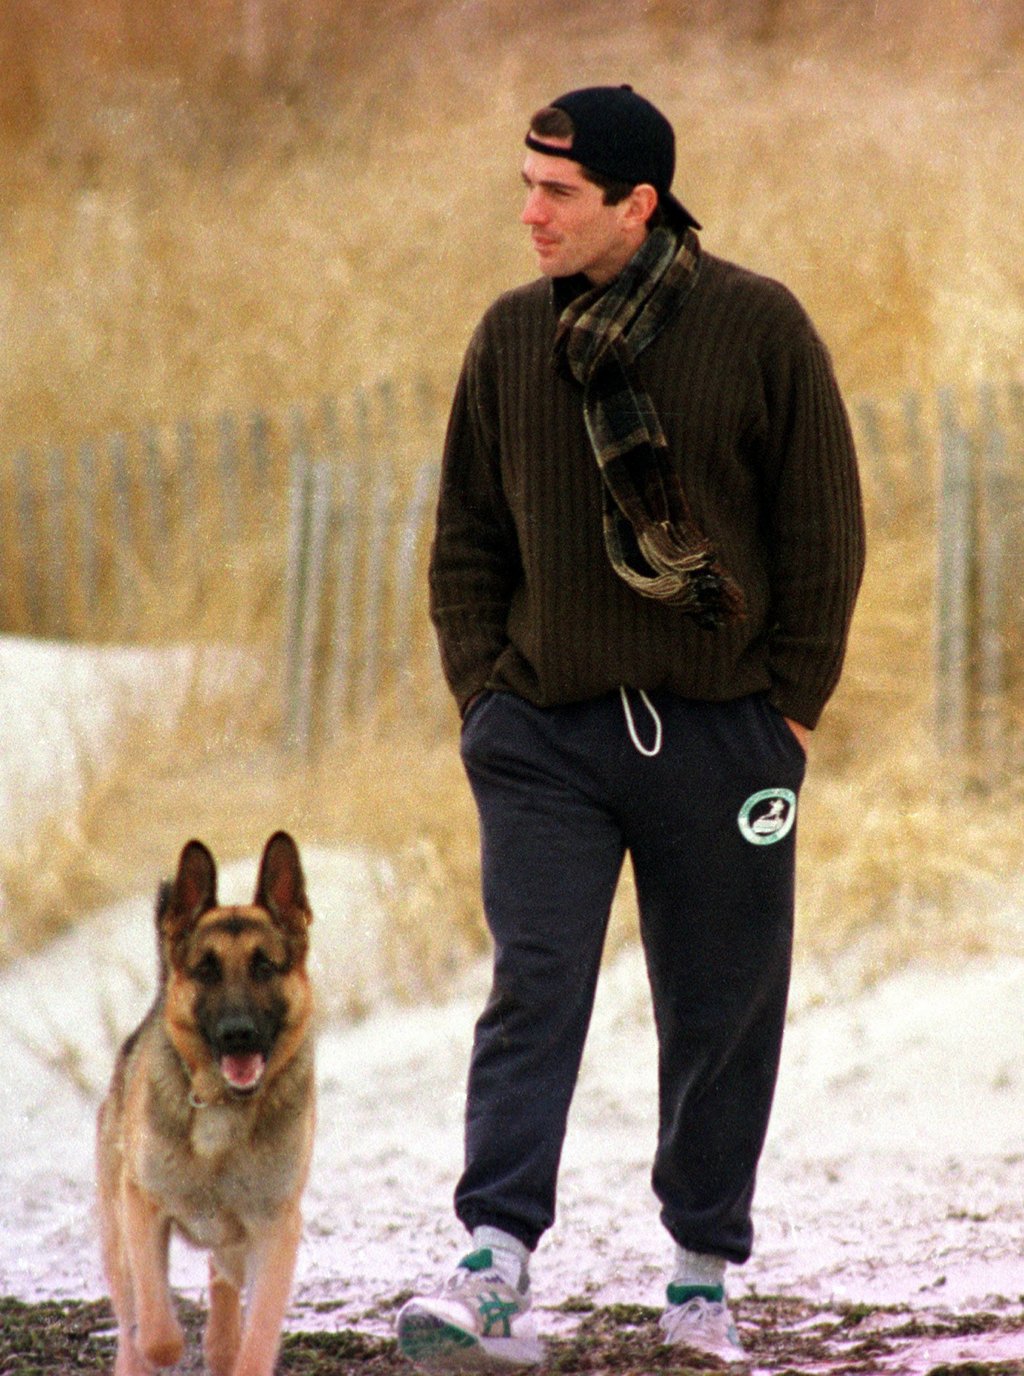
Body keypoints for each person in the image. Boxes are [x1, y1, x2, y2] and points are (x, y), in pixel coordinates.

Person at [397, 84, 865, 1370]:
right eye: (525, 184)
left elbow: (823, 533)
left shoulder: (757, 327)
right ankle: (494, 1261)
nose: (530, 212)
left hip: (725, 737)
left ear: (636, 203)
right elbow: (467, 546)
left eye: (557, 191)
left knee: (722, 1002)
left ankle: (700, 1276)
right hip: (543, 735)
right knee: (534, 984)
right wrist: (482, 699)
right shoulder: (506, 340)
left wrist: (789, 717)